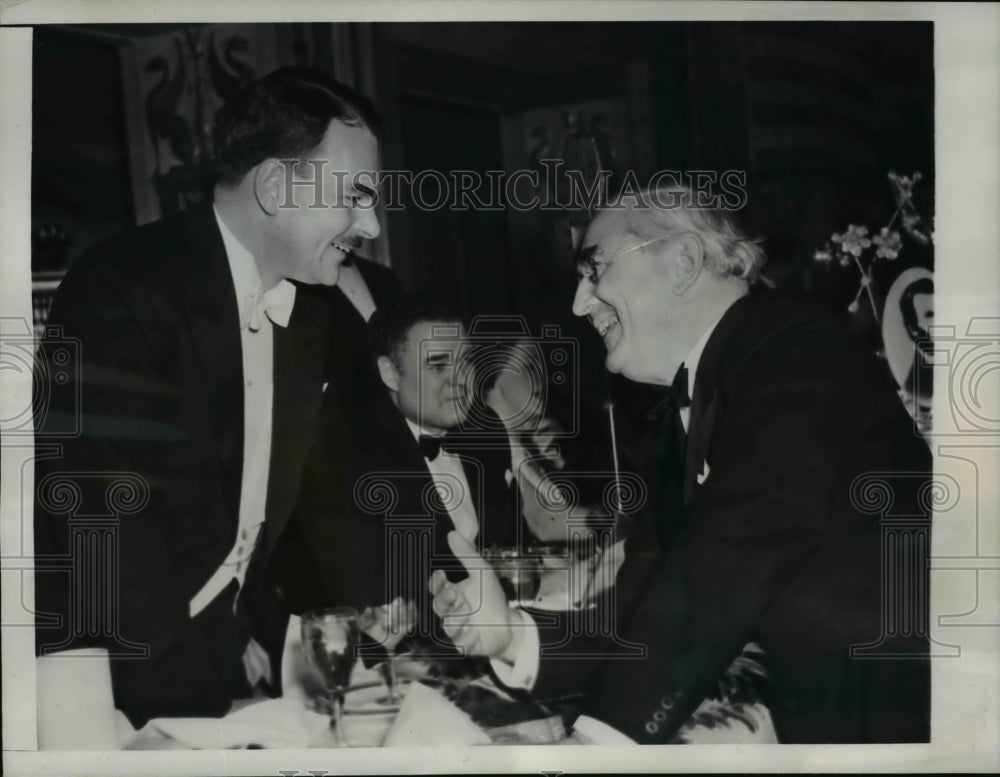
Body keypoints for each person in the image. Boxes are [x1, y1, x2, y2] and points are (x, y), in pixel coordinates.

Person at [429, 185, 932, 743]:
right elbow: (652, 604)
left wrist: (604, 741)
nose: (578, 303)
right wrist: (515, 637)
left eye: (594, 270)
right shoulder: (685, 411)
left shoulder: (796, 350)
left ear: (683, 262)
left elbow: (734, 550)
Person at [33, 66, 382, 743]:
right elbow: (103, 535)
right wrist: (202, 716)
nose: (369, 222)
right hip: (106, 682)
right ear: (278, 186)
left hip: (216, 663)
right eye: (357, 196)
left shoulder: (311, 310)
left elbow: (274, 508)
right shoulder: (123, 285)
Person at [273, 296, 522, 647]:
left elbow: (515, 551)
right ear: (390, 373)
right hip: (399, 663)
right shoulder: (343, 457)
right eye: (438, 366)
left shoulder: (486, 430)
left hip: (500, 643)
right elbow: (371, 606)